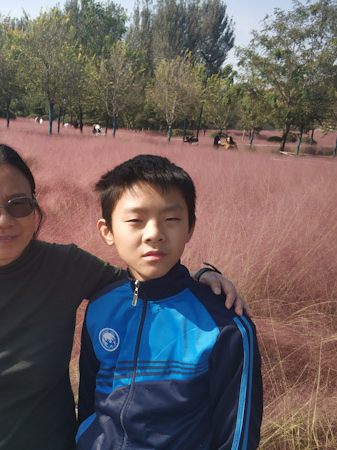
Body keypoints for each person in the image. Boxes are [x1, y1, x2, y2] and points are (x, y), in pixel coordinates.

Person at [0, 144, 250, 449]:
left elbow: (142, 282)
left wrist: (203, 277)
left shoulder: (64, 266)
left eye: (18, 204)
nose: (3, 220)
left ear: (34, 207)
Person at [76, 155, 262, 449]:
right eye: (135, 220)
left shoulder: (225, 323)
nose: (154, 234)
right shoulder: (99, 307)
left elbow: (237, 436)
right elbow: (88, 404)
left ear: (190, 227)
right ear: (108, 231)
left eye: (171, 219)